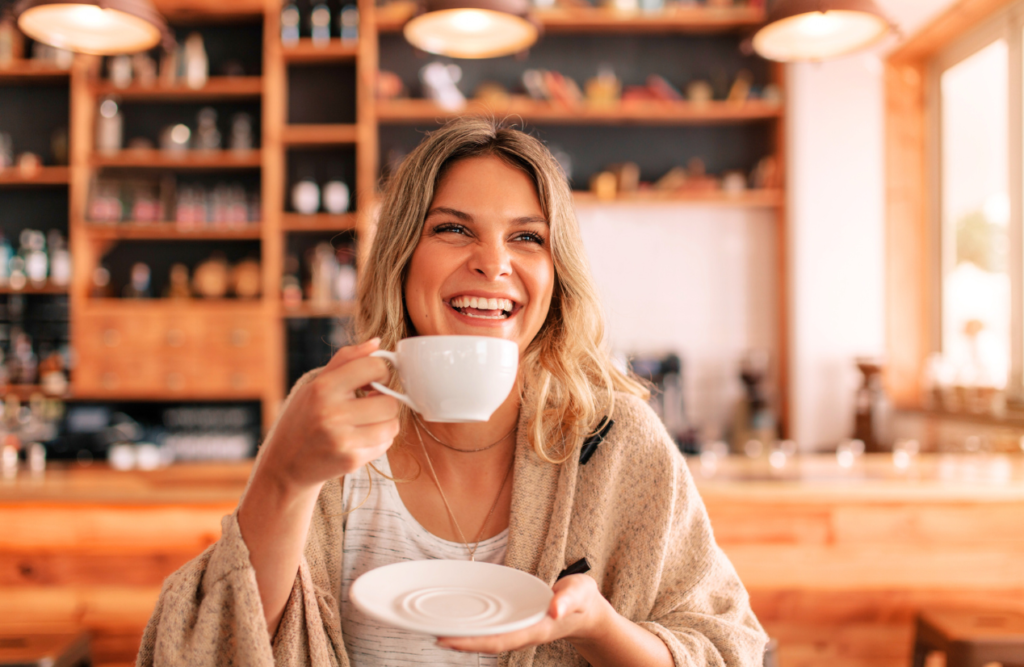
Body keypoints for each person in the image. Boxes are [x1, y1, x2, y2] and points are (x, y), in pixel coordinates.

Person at [137, 117, 768, 667]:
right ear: (402, 255)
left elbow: (727, 648)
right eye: (453, 230)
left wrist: (595, 626)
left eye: (527, 237)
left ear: (556, 275)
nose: (493, 263)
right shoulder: (334, 437)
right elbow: (205, 650)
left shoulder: (613, 442)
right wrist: (282, 477)